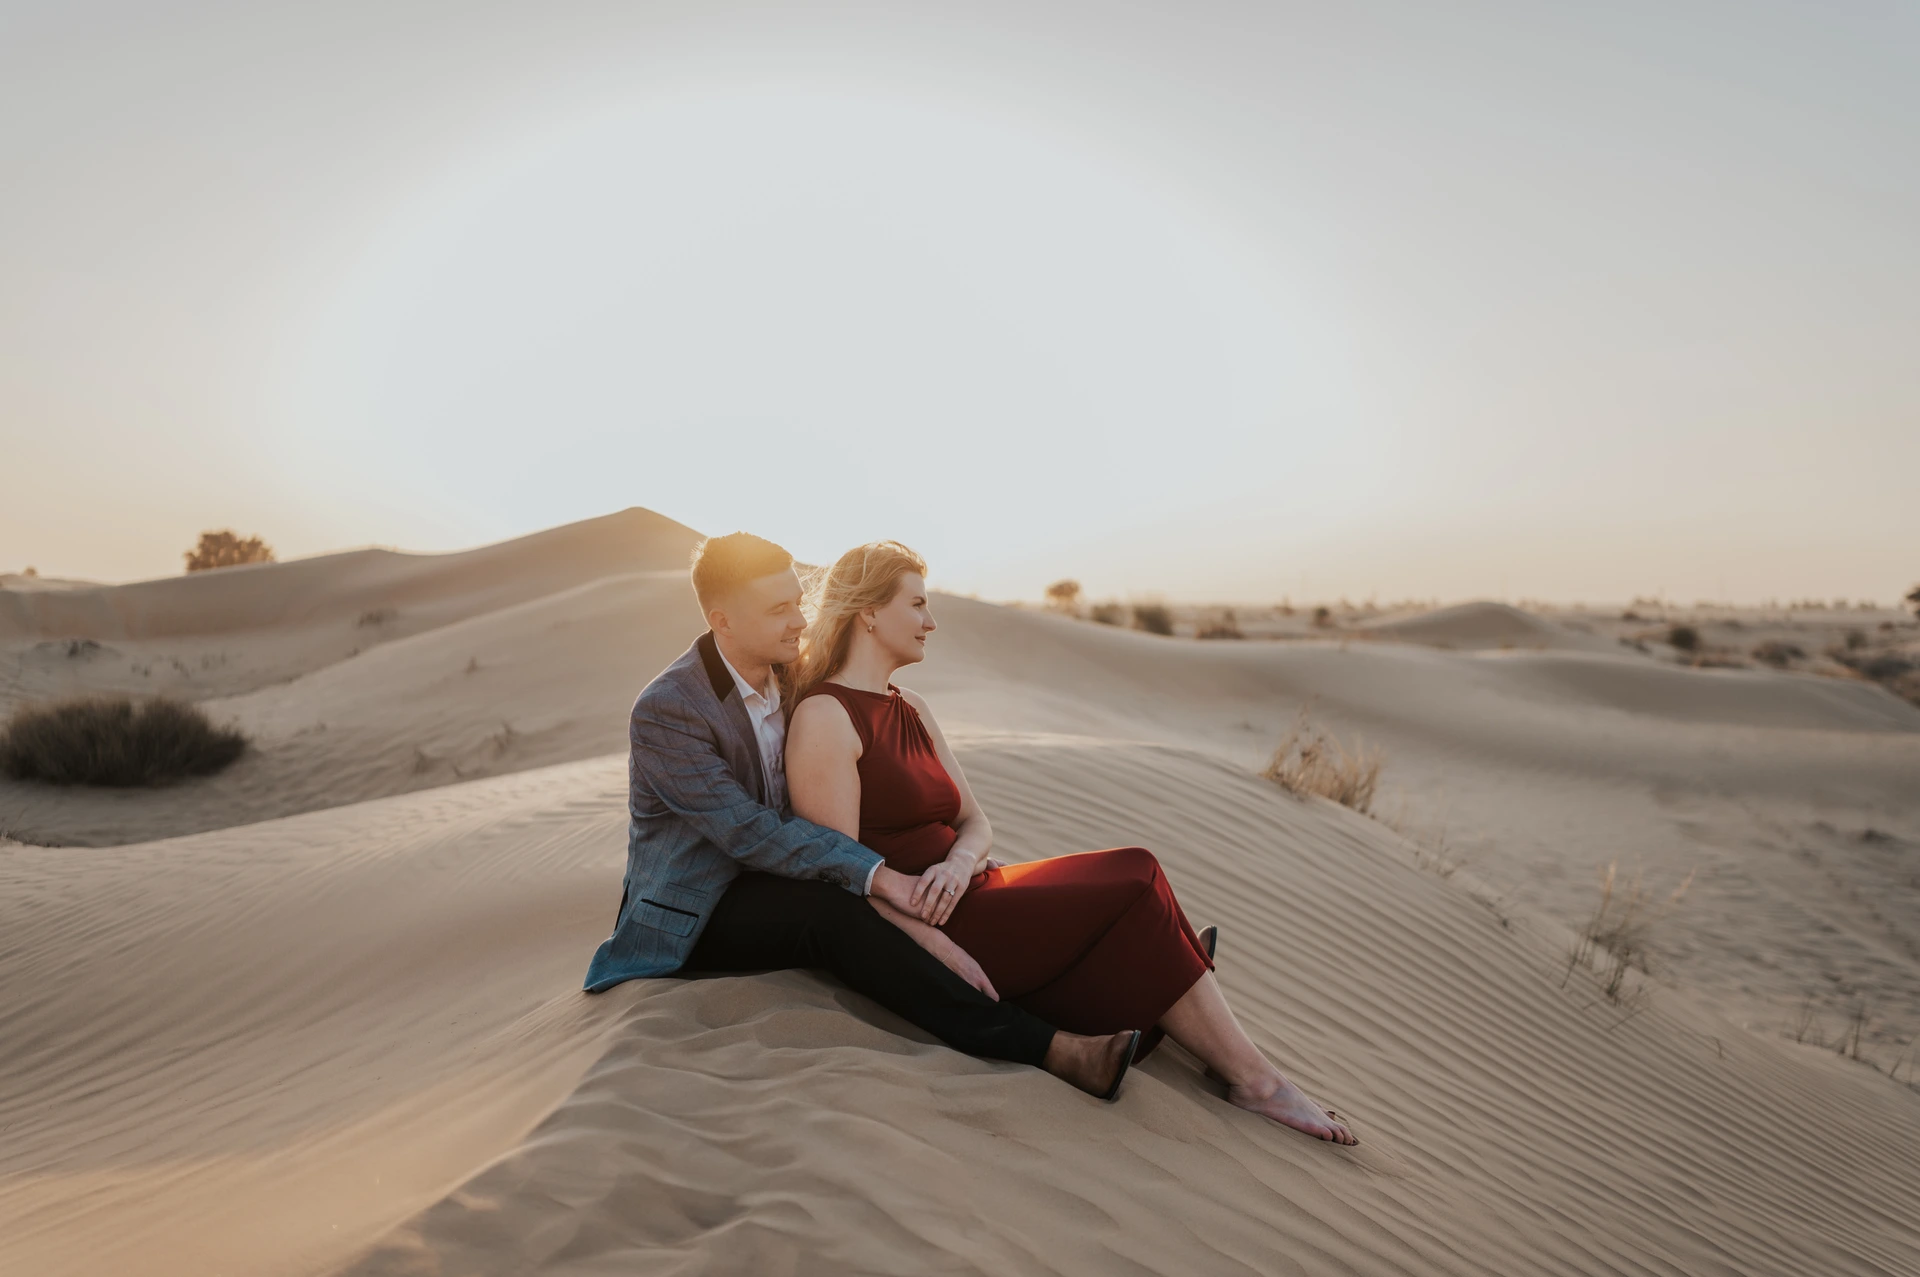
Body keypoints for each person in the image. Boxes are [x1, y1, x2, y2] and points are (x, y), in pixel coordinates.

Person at [784, 540, 1357, 1145]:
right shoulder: (826, 716)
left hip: (973, 889)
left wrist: (958, 862)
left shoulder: (913, 708)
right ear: (869, 613)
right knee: (1135, 875)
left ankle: (1201, 1021)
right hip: (939, 928)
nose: (931, 621)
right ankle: (1253, 1079)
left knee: (1139, 889)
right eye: (918, 604)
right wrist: (938, 951)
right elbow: (840, 876)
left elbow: (976, 822)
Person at [582, 533, 1141, 1101]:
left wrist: (939, 851)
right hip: (703, 909)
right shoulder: (669, 709)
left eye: (798, 601)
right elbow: (749, 832)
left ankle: (1111, 997)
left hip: (788, 874)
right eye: (778, 610)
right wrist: (885, 881)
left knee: (884, 895)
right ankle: (1049, 1048)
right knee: (835, 910)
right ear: (722, 621)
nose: (799, 621)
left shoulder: (794, 678)